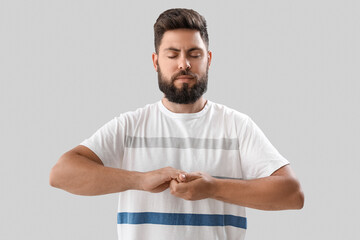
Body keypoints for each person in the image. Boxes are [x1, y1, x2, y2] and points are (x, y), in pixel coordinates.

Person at [49, 8, 304, 240]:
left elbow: (292, 194)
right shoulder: (130, 126)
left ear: (209, 59)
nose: (184, 64)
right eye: (172, 55)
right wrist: (140, 180)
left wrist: (214, 187)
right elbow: (61, 173)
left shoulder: (237, 126)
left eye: (194, 54)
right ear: (156, 61)